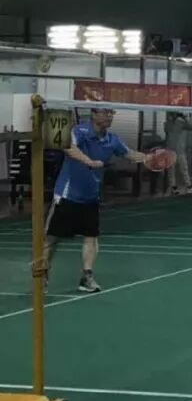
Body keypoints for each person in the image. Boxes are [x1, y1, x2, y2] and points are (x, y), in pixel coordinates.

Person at [45, 106, 149, 292]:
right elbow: (68, 146)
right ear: (94, 114)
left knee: (91, 237)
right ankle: (42, 272)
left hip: (91, 196)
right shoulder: (80, 131)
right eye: (105, 112)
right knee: (52, 239)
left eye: (112, 112)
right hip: (67, 194)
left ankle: (87, 277)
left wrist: (149, 158)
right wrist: (90, 162)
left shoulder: (112, 139)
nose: (110, 116)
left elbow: (129, 154)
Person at [164, 111, 192, 194]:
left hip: (180, 150)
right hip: (170, 150)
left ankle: (188, 185)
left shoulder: (181, 122)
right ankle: (173, 187)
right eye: (171, 113)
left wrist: (186, 118)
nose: (173, 115)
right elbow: (167, 131)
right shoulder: (167, 123)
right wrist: (171, 120)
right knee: (171, 170)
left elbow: (191, 127)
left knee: (184, 168)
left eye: (174, 113)